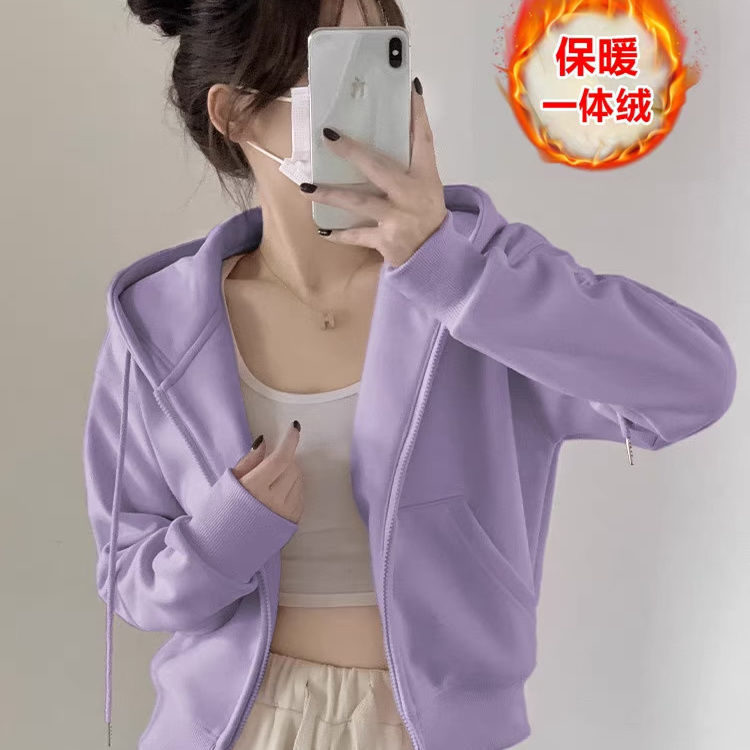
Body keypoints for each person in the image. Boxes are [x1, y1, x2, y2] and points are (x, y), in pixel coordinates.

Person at [82, 0, 737, 748]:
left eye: (387, 61)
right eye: (338, 68)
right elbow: (128, 580)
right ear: (234, 114)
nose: (376, 102)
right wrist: (225, 534)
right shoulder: (159, 323)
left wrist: (450, 271)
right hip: (229, 728)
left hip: (431, 730)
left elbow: (695, 384)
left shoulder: (483, 280)